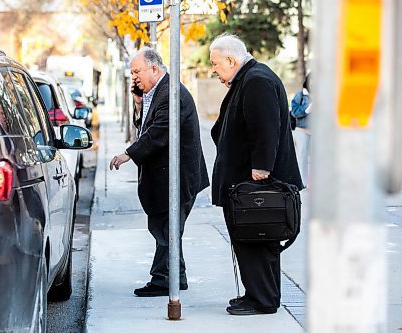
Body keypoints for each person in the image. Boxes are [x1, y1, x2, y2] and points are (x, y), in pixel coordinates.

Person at [208, 33, 303, 315]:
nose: (213, 69)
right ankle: (257, 294)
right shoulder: (250, 77)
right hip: (248, 183)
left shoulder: (256, 80)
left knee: (257, 240)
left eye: (215, 63)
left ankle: (262, 299)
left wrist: (262, 167)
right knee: (254, 241)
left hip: (256, 183)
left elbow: (265, 129)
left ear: (230, 59)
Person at [109, 47, 209, 297]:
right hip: (166, 176)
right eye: (132, 73)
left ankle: (164, 279)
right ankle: (177, 276)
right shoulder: (156, 92)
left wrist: (128, 154)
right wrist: (138, 104)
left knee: (167, 229)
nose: (134, 77)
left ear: (154, 68)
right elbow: (146, 125)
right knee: (165, 227)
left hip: (178, 177)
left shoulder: (171, 93)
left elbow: (159, 132)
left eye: (136, 71)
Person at [290, 73, 312, 186]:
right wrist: (307, 109)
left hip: (316, 132)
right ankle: (301, 183)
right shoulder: (301, 95)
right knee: (301, 157)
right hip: (301, 130)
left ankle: (313, 184)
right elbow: (294, 112)